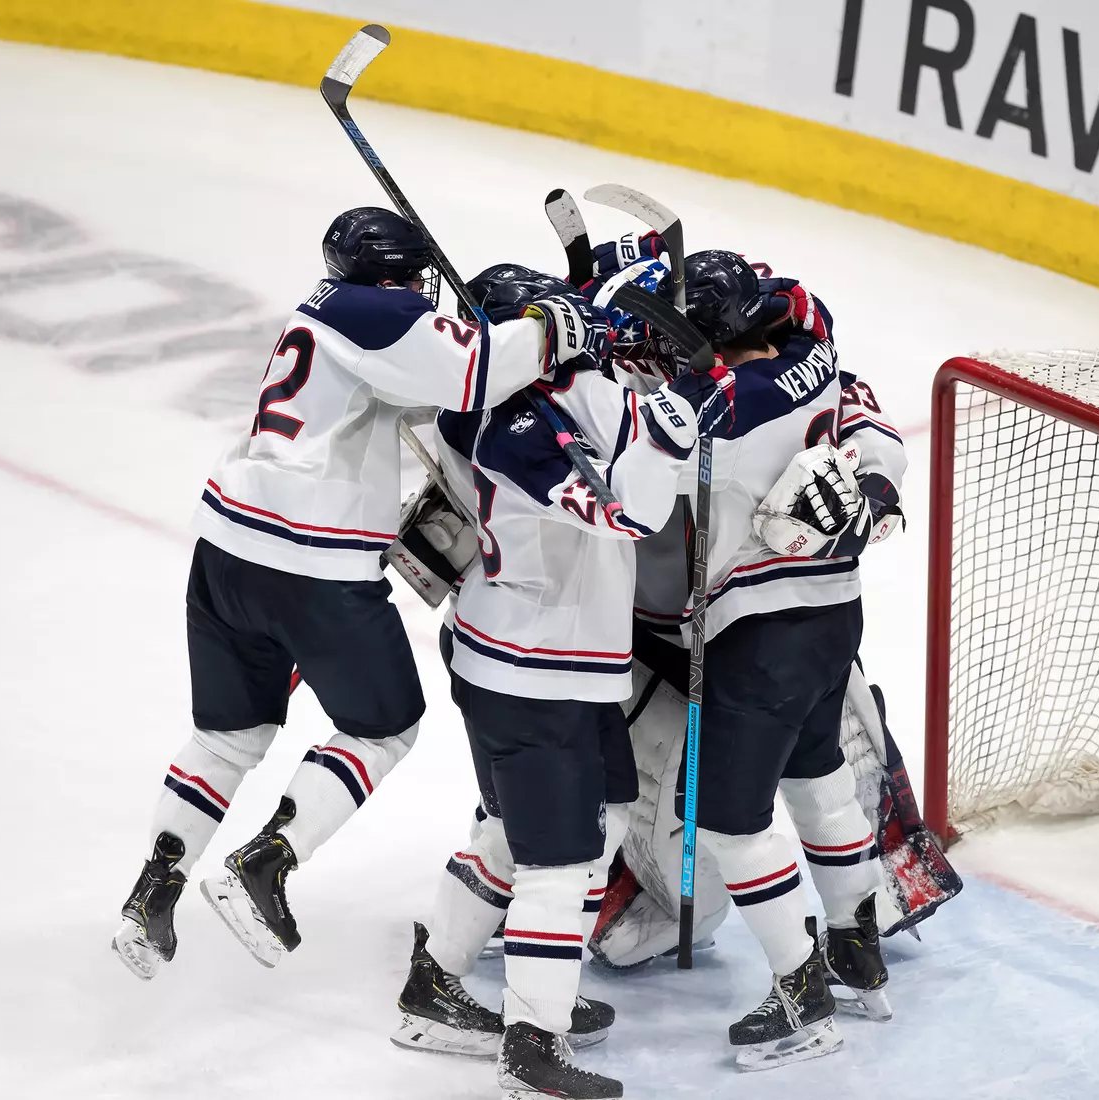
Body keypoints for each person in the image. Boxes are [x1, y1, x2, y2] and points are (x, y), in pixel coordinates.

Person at [111, 208, 605, 978]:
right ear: (394, 276)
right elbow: (472, 373)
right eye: (415, 277)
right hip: (310, 563)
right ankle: (266, 864)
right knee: (383, 727)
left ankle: (152, 892)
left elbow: (438, 387)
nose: (422, 289)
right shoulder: (379, 313)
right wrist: (551, 328)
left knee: (227, 738)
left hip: (227, 549)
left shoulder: (328, 310)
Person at [410, 262, 729, 1099]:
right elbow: (631, 513)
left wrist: (611, 311)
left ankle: (440, 983)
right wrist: (673, 420)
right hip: (534, 672)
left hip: (547, 662)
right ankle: (531, 1046)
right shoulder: (514, 430)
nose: (567, 332)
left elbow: (589, 372)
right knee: (562, 859)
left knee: (582, 818)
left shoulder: (509, 400)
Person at [611, 250, 908, 1068]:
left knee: (726, 821)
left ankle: (801, 997)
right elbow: (861, 407)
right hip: (834, 614)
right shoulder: (814, 357)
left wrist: (662, 394)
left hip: (759, 635)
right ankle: (857, 951)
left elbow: (631, 500)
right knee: (818, 780)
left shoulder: (716, 409)